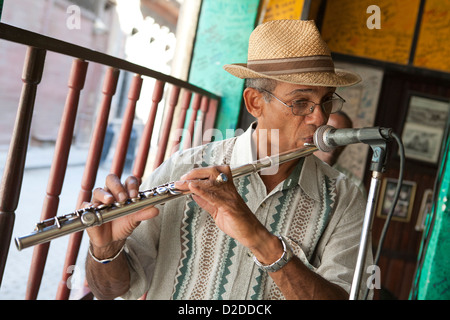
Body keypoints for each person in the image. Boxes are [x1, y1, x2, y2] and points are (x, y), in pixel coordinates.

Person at [85, 19, 372, 300]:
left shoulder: (344, 200)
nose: (320, 117)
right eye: (300, 103)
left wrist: (259, 239)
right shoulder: (184, 169)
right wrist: (105, 253)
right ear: (255, 103)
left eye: (326, 101)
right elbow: (110, 291)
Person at [315, 111, 367, 197]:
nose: (334, 142)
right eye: (330, 134)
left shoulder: (354, 186)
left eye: (342, 138)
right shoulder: (292, 166)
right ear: (317, 134)